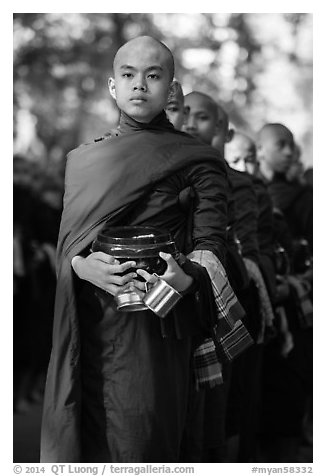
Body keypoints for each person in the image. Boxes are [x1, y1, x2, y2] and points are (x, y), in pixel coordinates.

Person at [40, 36, 248, 463]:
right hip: (93, 324)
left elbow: (212, 245)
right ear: (113, 86)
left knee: (143, 440)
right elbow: (69, 245)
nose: (140, 85)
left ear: (171, 89)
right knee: (85, 436)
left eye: (153, 76)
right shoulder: (83, 160)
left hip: (155, 327)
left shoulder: (197, 160)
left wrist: (186, 274)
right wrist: (81, 267)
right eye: (128, 75)